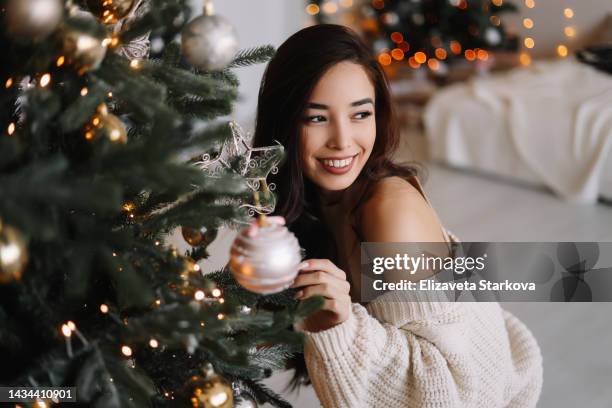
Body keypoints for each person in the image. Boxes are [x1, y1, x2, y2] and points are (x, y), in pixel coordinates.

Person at [252, 24, 543, 408]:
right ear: (284, 123)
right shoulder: (304, 202)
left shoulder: (390, 211)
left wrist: (340, 328)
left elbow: (463, 389)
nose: (342, 140)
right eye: (317, 118)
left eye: (360, 114)